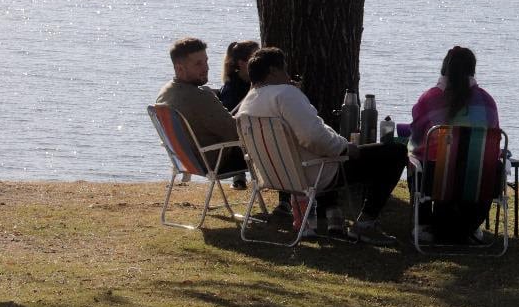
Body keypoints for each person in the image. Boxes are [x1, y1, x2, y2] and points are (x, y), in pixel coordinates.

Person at [238, 47, 407, 241]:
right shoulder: (286, 94)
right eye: (284, 69)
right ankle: (366, 223)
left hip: (275, 174)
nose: (287, 75)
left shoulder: (248, 102)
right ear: (273, 71)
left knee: (338, 150)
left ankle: (334, 216)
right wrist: (345, 147)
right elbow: (313, 138)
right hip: (312, 173)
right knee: (395, 152)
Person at [409, 46, 500, 243]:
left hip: (438, 182)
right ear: (472, 70)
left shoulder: (430, 99)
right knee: (475, 167)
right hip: (478, 182)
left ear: (445, 69)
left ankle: (423, 224)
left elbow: (415, 141)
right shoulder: (487, 102)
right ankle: (470, 226)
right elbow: (494, 142)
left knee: (415, 163)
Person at [155, 37, 247, 176]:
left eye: (206, 61)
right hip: (214, 162)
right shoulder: (200, 97)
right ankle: (286, 194)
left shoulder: (165, 93)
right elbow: (237, 133)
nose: (206, 68)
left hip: (186, 161)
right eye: (198, 64)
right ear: (179, 68)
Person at [217, 40, 258, 189]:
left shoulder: (251, 82)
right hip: (238, 149)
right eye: (255, 58)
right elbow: (232, 121)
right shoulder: (232, 88)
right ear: (241, 63)